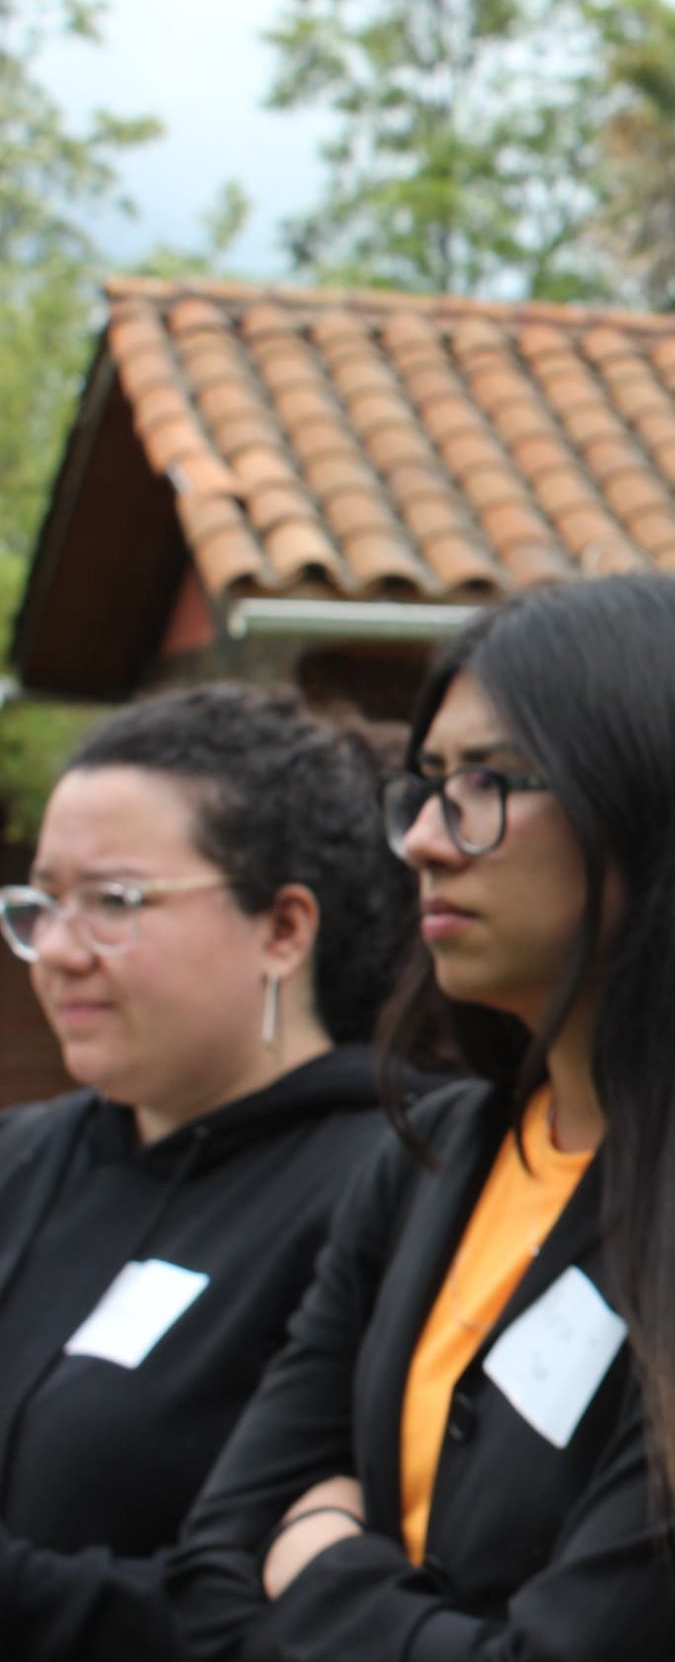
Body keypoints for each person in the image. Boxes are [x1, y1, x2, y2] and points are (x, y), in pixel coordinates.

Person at [170, 576, 675, 1660]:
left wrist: (325, 1559)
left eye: (486, 783)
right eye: (426, 784)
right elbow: (212, 1565)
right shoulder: (429, 1159)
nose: (427, 839)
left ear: (656, 805)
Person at [0, 685, 413, 1660]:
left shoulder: (389, 1191)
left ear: (283, 929)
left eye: (113, 903)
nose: (57, 951)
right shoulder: (23, 1158)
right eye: (43, 904)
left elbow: (271, 1607)